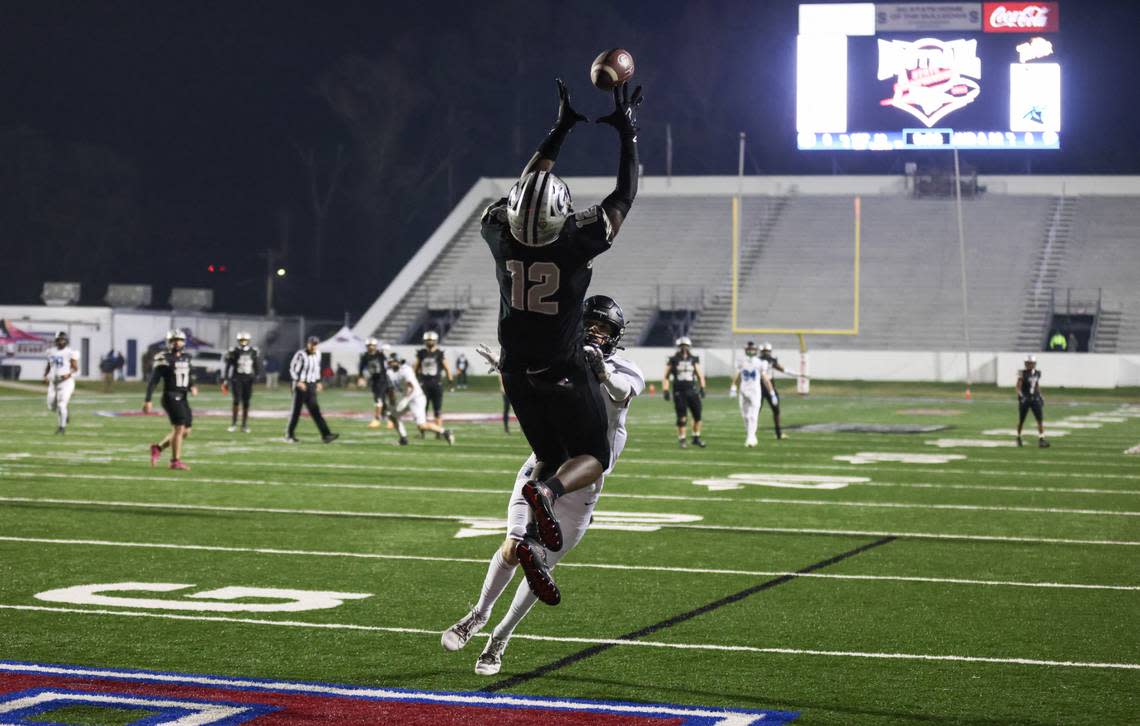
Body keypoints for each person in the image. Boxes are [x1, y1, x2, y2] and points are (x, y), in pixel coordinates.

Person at [480, 77, 642, 555]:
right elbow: (625, 193)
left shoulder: (497, 232)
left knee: (549, 454)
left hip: (514, 368)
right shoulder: (573, 244)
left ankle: (527, 534)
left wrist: (560, 128)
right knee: (592, 454)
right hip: (562, 368)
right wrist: (626, 132)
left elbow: (525, 185)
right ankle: (547, 494)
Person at [447, 295, 643, 675]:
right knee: (515, 546)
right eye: (591, 323)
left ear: (615, 336)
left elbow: (622, 393)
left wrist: (600, 370)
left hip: (583, 482)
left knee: (541, 567)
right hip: (544, 464)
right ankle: (477, 615)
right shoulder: (561, 359)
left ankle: (500, 639)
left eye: (605, 328)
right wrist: (511, 369)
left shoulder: (623, 367)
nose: (596, 332)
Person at [143, 330, 197, 470]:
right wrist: (148, 400)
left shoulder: (186, 357)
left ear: (184, 342)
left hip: (183, 396)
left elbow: (187, 374)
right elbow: (153, 381)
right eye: (173, 340)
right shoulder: (164, 358)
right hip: (171, 396)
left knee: (186, 431)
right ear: (168, 342)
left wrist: (191, 386)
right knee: (179, 428)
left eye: (179, 340)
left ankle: (158, 448)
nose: (176, 342)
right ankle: (175, 461)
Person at [388, 353, 454, 445]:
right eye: (390, 362)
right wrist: (392, 403)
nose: (392, 364)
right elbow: (390, 389)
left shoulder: (406, 370)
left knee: (422, 426)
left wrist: (405, 400)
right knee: (393, 416)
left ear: (398, 361)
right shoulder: (389, 373)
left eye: (394, 361)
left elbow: (411, 387)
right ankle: (403, 439)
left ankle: (445, 432)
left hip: (416, 398)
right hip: (407, 398)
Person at [284, 336, 339, 444]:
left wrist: (318, 382)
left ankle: (326, 435)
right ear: (308, 344)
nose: (314, 346)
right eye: (312, 344)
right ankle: (289, 435)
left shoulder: (318, 353)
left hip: (311, 385)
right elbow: (292, 369)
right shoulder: (301, 354)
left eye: (316, 344)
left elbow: (317, 369)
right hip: (301, 386)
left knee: (316, 411)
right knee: (296, 412)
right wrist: (298, 381)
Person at [663, 337, 706, 448]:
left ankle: (696, 437)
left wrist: (702, 387)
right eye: (682, 346)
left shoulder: (693, 359)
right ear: (678, 347)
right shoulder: (673, 359)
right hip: (679, 392)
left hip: (692, 390)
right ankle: (682, 439)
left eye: (685, 345)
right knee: (682, 417)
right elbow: (666, 376)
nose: (684, 348)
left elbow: (699, 374)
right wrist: (666, 390)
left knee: (698, 415)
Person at [729, 341, 772, 448]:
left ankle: (751, 437)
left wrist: (771, 391)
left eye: (752, 349)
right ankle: (751, 436)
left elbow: (765, 378)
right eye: (749, 349)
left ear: (756, 350)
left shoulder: (760, 362)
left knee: (753, 416)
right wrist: (733, 387)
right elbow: (737, 375)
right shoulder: (741, 361)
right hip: (743, 391)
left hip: (755, 392)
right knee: (745, 416)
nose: (750, 351)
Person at [415, 331, 453, 433]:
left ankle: (439, 432)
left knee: (438, 410)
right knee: (422, 410)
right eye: (428, 340)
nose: (430, 341)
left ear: (435, 341)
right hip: (424, 384)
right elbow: (416, 368)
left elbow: (447, 368)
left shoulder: (439, 353)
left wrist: (450, 381)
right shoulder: (421, 353)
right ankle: (422, 433)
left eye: (431, 340)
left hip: (436, 384)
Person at [222, 331, 260, 433]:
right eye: (241, 340)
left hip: (248, 379)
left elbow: (256, 365)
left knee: (246, 402)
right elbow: (228, 366)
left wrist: (257, 375)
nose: (243, 342)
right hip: (237, 378)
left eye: (245, 340)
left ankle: (244, 425)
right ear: (238, 341)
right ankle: (234, 423)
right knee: (236, 401)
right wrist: (226, 378)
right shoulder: (234, 351)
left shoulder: (253, 351)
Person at [44, 331, 79, 434]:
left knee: (61, 405)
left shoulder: (70, 352)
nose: (61, 342)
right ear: (56, 341)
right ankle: (65, 414)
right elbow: (49, 365)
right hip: (53, 382)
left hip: (66, 382)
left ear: (66, 340)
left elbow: (76, 369)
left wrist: (68, 375)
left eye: (63, 339)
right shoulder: (51, 352)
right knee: (51, 406)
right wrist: (45, 375)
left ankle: (62, 427)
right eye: (59, 339)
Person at [1016, 354, 1050, 448]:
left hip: (1035, 399)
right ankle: (1018, 437)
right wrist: (1021, 396)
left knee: (1040, 420)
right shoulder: (1022, 373)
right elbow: (1018, 387)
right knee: (1021, 420)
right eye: (1029, 363)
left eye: (1032, 363)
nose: (1030, 365)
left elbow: (1037, 385)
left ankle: (1041, 439)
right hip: (1025, 399)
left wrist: (1041, 396)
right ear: (1026, 364)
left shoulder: (1037, 373)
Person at [758, 342, 790, 440]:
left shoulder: (771, 360)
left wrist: (794, 373)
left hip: (770, 386)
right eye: (764, 351)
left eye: (767, 351)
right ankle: (752, 433)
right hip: (759, 387)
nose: (766, 353)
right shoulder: (757, 361)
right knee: (756, 411)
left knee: (776, 410)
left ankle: (778, 433)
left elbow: (781, 369)